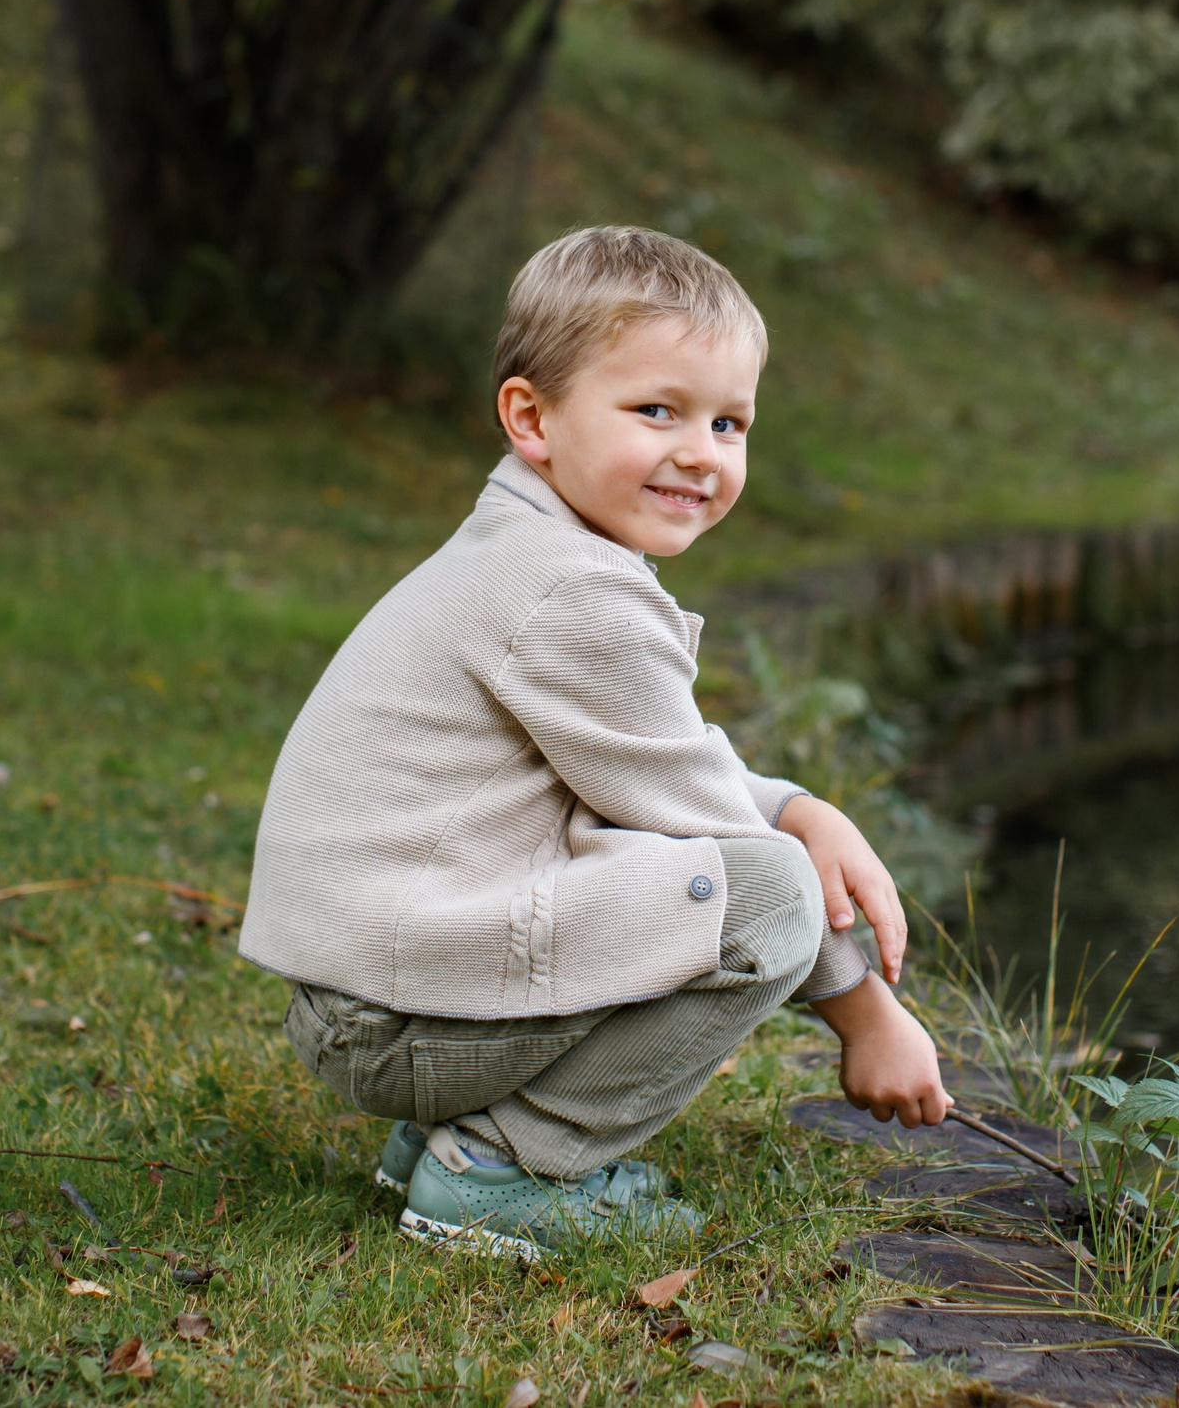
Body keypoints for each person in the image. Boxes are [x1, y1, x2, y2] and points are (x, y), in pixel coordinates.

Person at [238, 225, 951, 1256]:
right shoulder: (569, 590)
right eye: (656, 410)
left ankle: (450, 1137)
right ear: (532, 417)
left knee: (738, 860)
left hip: (374, 997)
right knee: (769, 895)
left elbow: (659, 769)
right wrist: (864, 1012)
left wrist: (796, 803)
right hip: (393, 1018)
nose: (699, 452)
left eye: (728, 423)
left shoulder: (526, 547)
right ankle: (499, 1168)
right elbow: (712, 829)